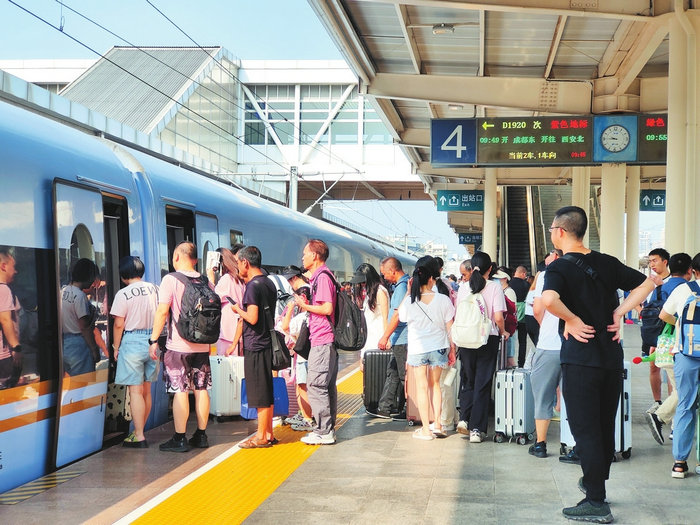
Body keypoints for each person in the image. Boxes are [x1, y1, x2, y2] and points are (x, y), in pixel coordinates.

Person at [542, 206, 653, 523]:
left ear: (560, 231)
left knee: (585, 429)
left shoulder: (559, 266)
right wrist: (619, 312)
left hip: (581, 359)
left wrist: (571, 319)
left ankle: (595, 501)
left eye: (551, 229)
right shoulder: (606, 262)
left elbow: (549, 300)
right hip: (610, 358)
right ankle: (594, 483)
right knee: (604, 425)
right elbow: (647, 284)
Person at [149, 242, 212, 453]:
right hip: (202, 345)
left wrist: (153, 340)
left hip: (178, 346)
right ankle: (201, 436)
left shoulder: (171, 279)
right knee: (201, 389)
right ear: (195, 259)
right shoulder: (205, 281)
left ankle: (180, 438)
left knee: (181, 390)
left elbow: (162, 311)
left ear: (176, 257)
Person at [398, 256, 455, 440]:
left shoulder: (410, 301)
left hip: (417, 350)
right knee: (436, 385)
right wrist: (452, 349)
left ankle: (425, 430)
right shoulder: (443, 300)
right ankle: (438, 424)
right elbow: (450, 328)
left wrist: (408, 293)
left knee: (422, 388)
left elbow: (401, 317)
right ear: (431, 278)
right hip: (439, 348)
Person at [456, 251, 507, 443]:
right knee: (483, 383)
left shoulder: (463, 287)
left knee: (468, 379)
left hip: (466, 339)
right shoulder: (494, 287)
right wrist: (503, 331)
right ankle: (476, 429)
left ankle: (464, 419)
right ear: (490, 268)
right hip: (487, 338)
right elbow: (498, 317)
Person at [231, 246, 278, 448]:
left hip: (255, 344)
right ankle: (268, 433)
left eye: (237, 263)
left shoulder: (252, 286)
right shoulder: (268, 283)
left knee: (259, 393)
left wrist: (237, 309)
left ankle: (261, 437)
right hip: (267, 341)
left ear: (245, 263)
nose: (237, 267)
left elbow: (252, 317)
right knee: (266, 390)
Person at [110, 256, 159, 448]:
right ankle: (140, 432)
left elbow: (118, 324)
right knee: (147, 391)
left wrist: (116, 347)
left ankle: (139, 435)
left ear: (123, 275)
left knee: (135, 392)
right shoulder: (155, 289)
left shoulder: (123, 294)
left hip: (132, 342)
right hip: (152, 341)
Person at [656, 254, 698, 472]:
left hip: (686, 355)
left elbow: (664, 315)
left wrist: (679, 322)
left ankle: (680, 463)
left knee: (685, 406)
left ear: (693, 271)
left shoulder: (683, 290)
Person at [295, 239, 338, 445]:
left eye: (305, 253)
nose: (302, 257)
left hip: (322, 339)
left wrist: (305, 306)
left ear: (314, 255)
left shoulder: (322, 277)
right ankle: (326, 429)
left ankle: (323, 431)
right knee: (325, 386)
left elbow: (327, 308)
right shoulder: (322, 276)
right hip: (324, 339)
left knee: (316, 385)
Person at [527, 249, 562, 459]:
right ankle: (571, 444)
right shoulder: (581, 273)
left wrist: (546, 326)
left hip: (549, 344)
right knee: (572, 397)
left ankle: (540, 444)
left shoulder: (546, 275)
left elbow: (538, 310)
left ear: (556, 256)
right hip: (575, 345)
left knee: (542, 395)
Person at [278, 265, 314, 431]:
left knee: (302, 386)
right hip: (308, 350)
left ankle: (308, 419)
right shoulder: (309, 293)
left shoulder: (302, 313)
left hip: (303, 352)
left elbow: (287, 326)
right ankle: (306, 415)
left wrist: (291, 308)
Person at [375, 257, 409, 419]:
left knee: (404, 376)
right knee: (394, 373)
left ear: (392, 271)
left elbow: (397, 315)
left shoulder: (402, 288)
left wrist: (385, 336)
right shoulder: (401, 285)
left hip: (402, 338)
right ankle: (385, 407)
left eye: (384, 274)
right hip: (398, 339)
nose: (384, 277)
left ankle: (410, 410)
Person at [641, 248, 671, 409]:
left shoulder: (672, 281)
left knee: (670, 368)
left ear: (665, 261)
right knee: (653, 366)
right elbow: (639, 303)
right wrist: (643, 314)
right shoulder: (648, 282)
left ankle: (671, 404)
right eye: (650, 261)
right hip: (652, 331)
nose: (652, 264)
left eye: (655, 260)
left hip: (668, 331)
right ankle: (657, 402)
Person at [62, 258, 101, 376]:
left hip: (64, 342)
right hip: (78, 344)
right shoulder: (79, 296)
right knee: (84, 381)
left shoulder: (62, 291)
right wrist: (94, 349)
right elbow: (84, 326)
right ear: (88, 276)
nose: (93, 282)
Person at [207, 247, 245, 356]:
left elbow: (212, 300)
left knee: (225, 364)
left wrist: (211, 280)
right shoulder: (239, 279)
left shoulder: (226, 279)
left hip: (227, 332)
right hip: (238, 331)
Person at [352, 263, 389, 370]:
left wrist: (386, 338)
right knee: (365, 369)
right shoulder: (370, 293)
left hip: (378, 338)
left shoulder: (380, 291)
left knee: (375, 370)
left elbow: (386, 317)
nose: (362, 284)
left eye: (363, 282)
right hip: (369, 337)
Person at [0, 247, 21, 389]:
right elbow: (5, 320)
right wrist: (16, 348)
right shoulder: (4, 289)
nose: (15, 271)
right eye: (13, 267)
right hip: (3, 356)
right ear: (3, 266)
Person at [493, 267, 518, 368]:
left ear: (505, 278)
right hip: (503, 328)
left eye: (498, 278)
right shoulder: (500, 291)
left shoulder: (509, 292)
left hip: (508, 329)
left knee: (509, 358)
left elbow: (512, 311)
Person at [510, 265, 531, 367]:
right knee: (522, 340)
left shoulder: (509, 283)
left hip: (511, 314)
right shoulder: (526, 285)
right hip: (523, 314)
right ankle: (521, 363)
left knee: (510, 338)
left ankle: (508, 359)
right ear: (523, 274)